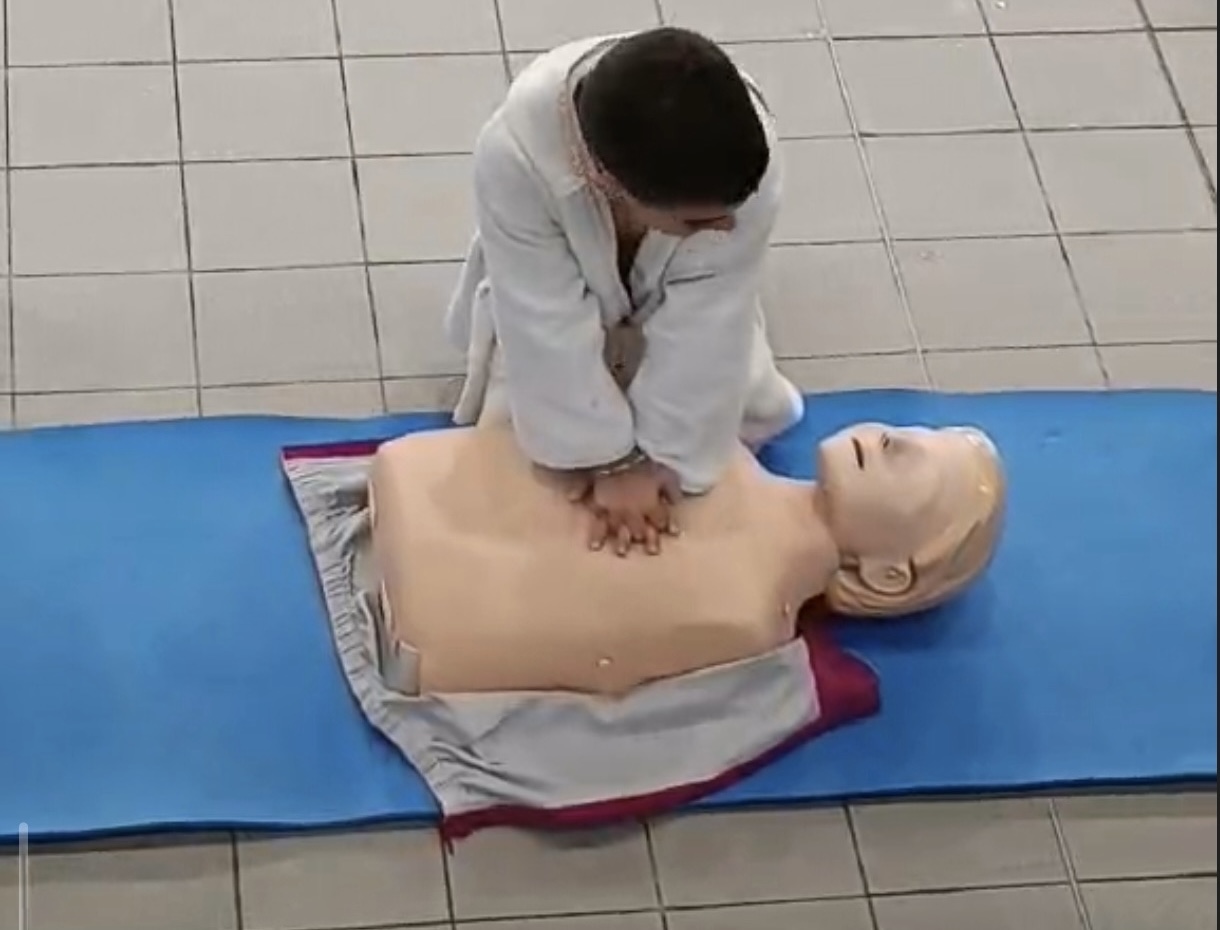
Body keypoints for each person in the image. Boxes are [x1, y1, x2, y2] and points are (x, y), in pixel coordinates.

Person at [445, 27, 803, 555]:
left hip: (692, 308)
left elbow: (710, 317)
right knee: (525, 478)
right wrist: (608, 461)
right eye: (697, 222)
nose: (726, 229)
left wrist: (662, 460)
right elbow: (543, 317)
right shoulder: (516, 157)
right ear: (609, 185)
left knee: (731, 430)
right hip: (547, 307)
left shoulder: (747, 158)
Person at [367, 421, 1006, 695]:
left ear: (888, 577)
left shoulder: (748, 617)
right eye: (910, 432)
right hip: (417, 518)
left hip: (427, 613)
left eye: (919, 470)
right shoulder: (712, 447)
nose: (893, 439)